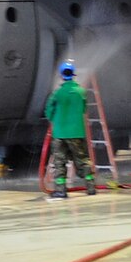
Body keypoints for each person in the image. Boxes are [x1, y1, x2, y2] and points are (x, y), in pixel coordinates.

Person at [43, 61, 95, 199]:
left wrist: (55, 119)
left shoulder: (57, 93)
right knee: (83, 160)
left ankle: (61, 190)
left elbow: (48, 110)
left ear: (61, 75)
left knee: (59, 162)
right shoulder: (81, 92)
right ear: (73, 74)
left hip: (59, 133)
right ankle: (90, 187)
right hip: (77, 132)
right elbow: (84, 109)